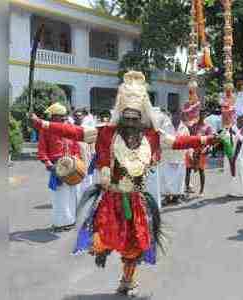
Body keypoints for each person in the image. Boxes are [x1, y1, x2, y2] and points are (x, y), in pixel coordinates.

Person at [31, 71, 217, 296]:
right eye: (126, 117)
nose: (129, 122)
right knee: (103, 241)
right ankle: (110, 258)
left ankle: (128, 281)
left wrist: (208, 138)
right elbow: (75, 132)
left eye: (134, 118)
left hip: (136, 199)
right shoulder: (107, 132)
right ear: (120, 114)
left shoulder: (152, 135)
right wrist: (43, 124)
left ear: (141, 117)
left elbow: (179, 142)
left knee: (134, 243)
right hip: (111, 198)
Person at [37, 103, 80, 232]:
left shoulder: (70, 128)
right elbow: (42, 150)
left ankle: (70, 221)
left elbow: (76, 147)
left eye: (63, 117)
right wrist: (49, 164)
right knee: (60, 195)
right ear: (54, 117)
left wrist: (76, 161)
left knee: (73, 194)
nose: (63, 119)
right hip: (57, 166)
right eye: (59, 117)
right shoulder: (45, 130)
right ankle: (60, 223)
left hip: (73, 166)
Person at [160, 110, 190, 205]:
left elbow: (188, 142)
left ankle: (177, 197)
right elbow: (161, 140)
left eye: (178, 114)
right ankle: (167, 197)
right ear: (172, 115)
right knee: (166, 178)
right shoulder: (164, 127)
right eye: (175, 114)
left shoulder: (184, 128)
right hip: (167, 156)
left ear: (181, 115)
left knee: (179, 178)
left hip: (180, 157)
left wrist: (190, 154)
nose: (176, 116)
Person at [185, 111, 213, 197]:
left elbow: (210, 140)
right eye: (200, 114)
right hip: (192, 150)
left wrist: (208, 148)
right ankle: (187, 189)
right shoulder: (194, 126)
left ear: (205, 115)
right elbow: (189, 136)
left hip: (202, 151)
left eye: (203, 114)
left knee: (201, 171)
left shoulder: (208, 127)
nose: (201, 116)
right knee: (188, 170)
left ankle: (201, 190)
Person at [225, 116, 243, 199]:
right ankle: (232, 191)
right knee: (230, 173)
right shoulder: (231, 128)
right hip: (230, 155)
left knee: (242, 173)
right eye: (240, 120)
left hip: (239, 155)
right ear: (237, 120)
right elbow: (225, 138)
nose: (241, 122)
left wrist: (236, 135)